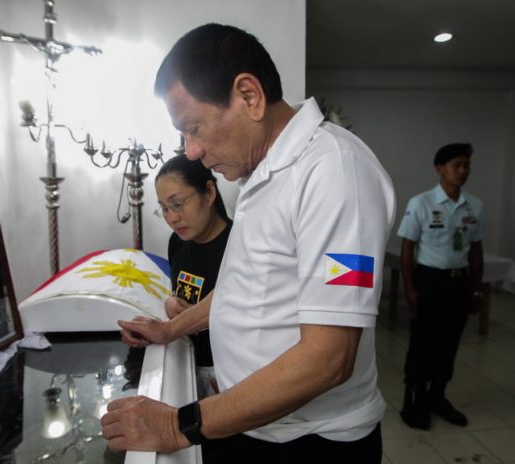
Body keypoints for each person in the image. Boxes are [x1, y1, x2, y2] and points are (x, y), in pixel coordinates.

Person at [100, 23, 396, 463]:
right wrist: (170, 329)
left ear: (249, 96)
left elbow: (329, 358)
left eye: (194, 127)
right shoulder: (260, 174)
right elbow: (243, 288)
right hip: (250, 422)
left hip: (310, 444)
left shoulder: (334, 173)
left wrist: (174, 425)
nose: (191, 150)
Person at [397, 143, 484, 430]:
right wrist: (410, 289)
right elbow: (407, 248)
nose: (462, 171)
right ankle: (416, 400)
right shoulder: (420, 203)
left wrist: (476, 288)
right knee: (423, 344)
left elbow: (475, 250)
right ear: (440, 169)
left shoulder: (474, 205)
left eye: (466, 166)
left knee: (449, 344)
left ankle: (438, 396)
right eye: (456, 165)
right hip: (429, 281)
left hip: (459, 283)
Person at [156, 154, 232, 400]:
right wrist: (170, 302)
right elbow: (180, 292)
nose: (172, 218)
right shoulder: (178, 242)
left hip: (230, 371)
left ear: (208, 193)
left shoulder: (238, 245)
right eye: (164, 209)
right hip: (186, 362)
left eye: (177, 204)